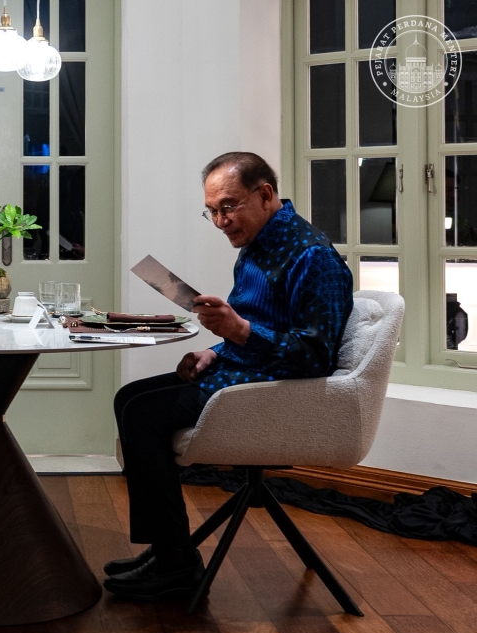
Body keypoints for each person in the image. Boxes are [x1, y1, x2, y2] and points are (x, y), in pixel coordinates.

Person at [104, 152, 353, 602]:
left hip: (274, 391)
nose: (221, 222)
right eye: (213, 211)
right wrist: (211, 351)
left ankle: (177, 564)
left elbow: (315, 358)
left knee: (143, 414)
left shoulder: (313, 257)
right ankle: (168, 548)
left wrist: (237, 331)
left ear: (265, 194)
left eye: (228, 207)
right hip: (242, 373)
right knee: (129, 397)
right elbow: (254, 326)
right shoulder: (255, 244)